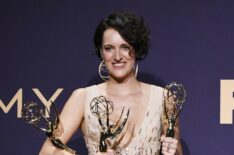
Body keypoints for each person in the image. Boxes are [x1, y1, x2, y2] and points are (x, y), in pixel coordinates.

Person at [39, 11, 183, 155]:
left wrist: (173, 152)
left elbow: (176, 152)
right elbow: (47, 151)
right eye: (109, 48)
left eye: (125, 47)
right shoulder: (83, 98)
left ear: (136, 48)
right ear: (101, 52)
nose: (117, 56)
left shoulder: (163, 98)